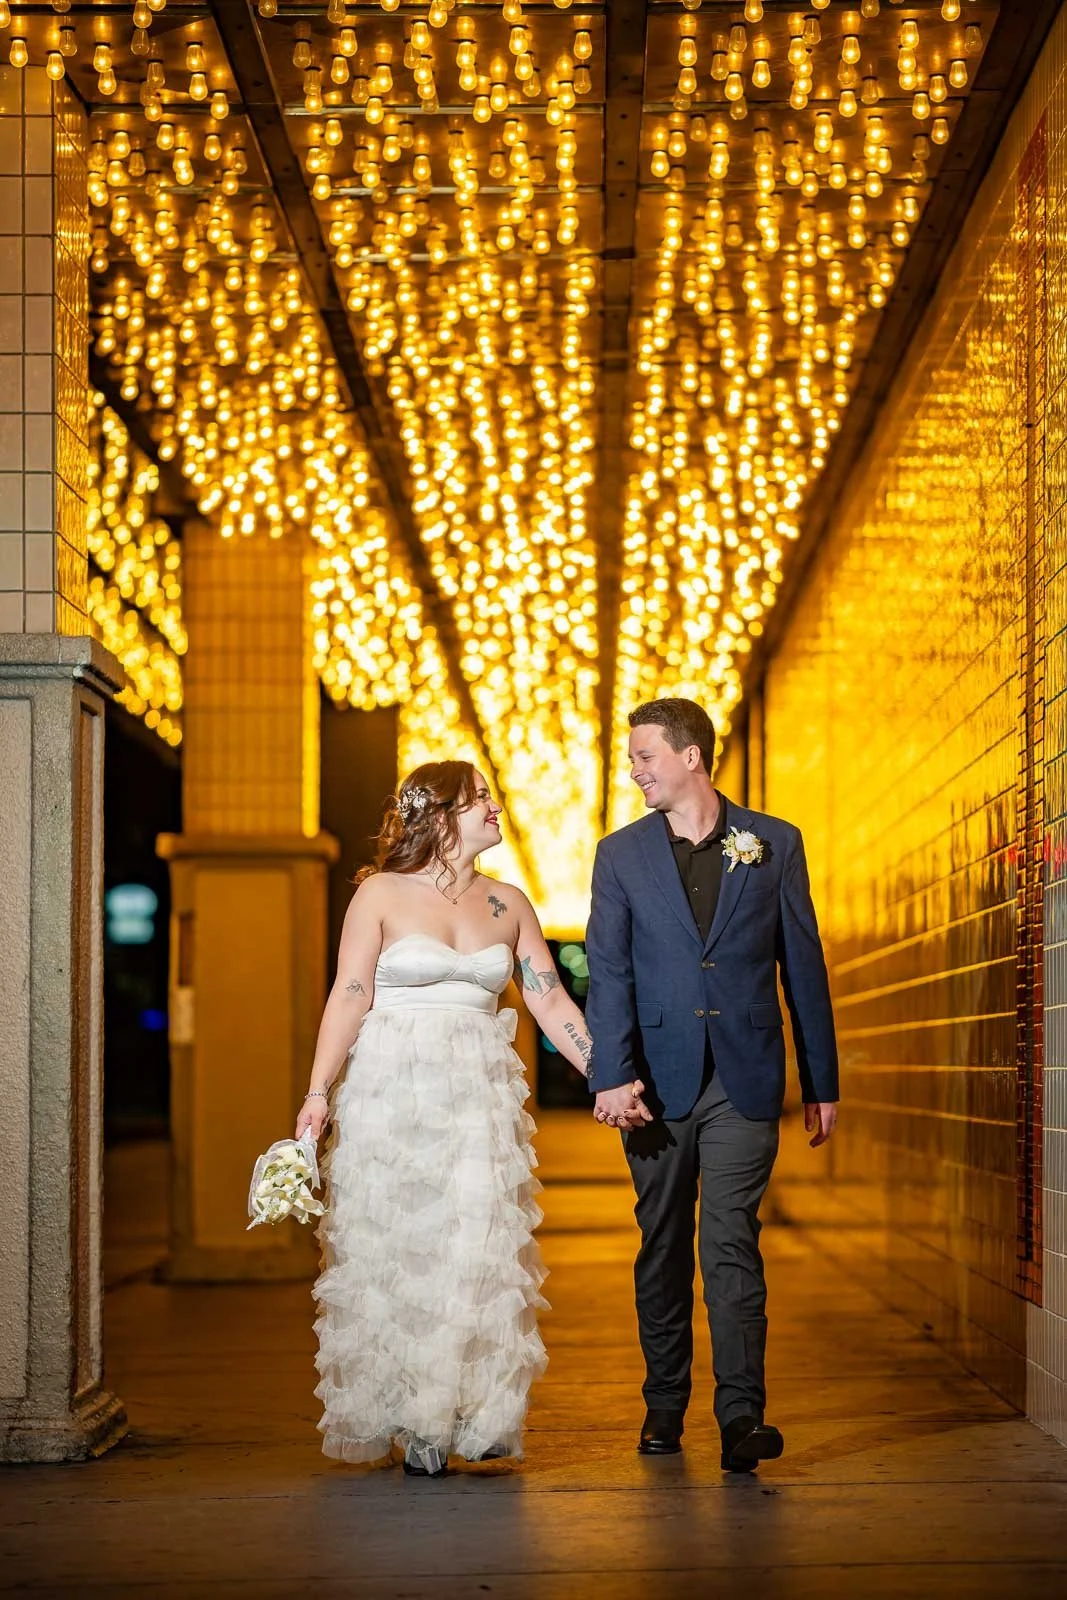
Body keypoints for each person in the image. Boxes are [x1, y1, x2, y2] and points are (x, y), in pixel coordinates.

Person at [296, 760, 592, 1477]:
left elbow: (549, 1002)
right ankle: (408, 1409)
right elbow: (350, 992)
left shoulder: (508, 902)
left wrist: (605, 1075)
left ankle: (467, 1410)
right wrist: (317, 1093)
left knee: (476, 1244)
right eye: (479, 799)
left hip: (478, 1097)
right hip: (392, 1091)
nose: (494, 809)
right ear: (439, 814)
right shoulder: (379, 894)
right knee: (400, 1245)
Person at [584, 698, 838, 1473]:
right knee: (661, 1244)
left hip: (745, 1075)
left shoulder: (774, 843)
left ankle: (740, 1417)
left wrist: (821, 1080)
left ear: (690, 756)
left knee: (730, 1240)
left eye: (643, 757)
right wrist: (610, 1074)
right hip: (653, 1087)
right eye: (632, 760)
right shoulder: (619, 855)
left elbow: (802, 964)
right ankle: (664, 1404)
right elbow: (611, 972)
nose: (634, 772)